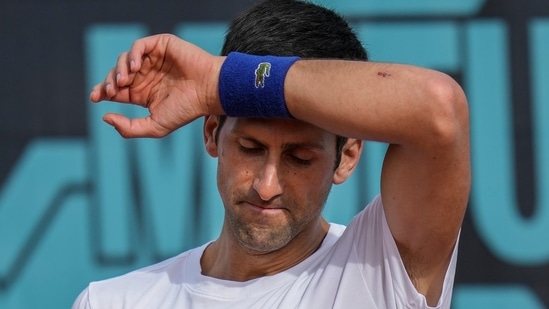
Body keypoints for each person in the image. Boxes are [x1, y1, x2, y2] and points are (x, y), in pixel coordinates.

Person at [73, 0, 470, 308]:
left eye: (300, 158)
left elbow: (438, 110)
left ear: (346, 157)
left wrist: (219, 81)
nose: (266, 186)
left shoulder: (381, 271)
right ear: (212, 133)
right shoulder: (111, 302)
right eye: (250, 148)